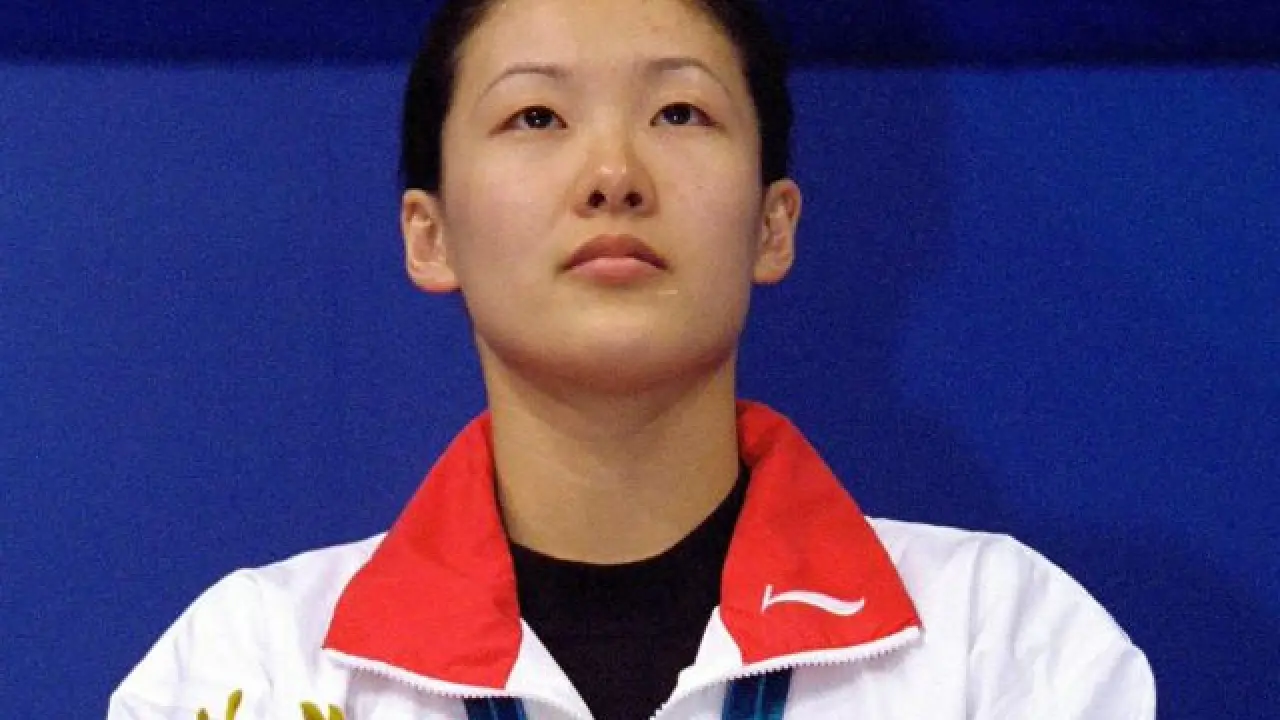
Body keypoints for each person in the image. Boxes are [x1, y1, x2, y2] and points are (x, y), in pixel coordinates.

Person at [108, 0, 1156, 718]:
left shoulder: (999, 647)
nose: (613, 173)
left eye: (678, 111)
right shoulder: (253, 668)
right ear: (429, 235)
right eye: (535, 115)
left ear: (772, 225)